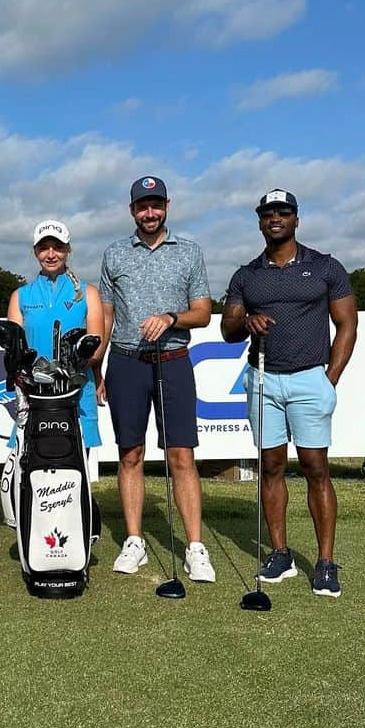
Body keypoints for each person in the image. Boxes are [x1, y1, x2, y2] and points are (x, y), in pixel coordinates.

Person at [220, 189, 357, 598]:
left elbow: (347, 325)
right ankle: (280, 553)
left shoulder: (326, 267)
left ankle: (326, 562)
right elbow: (228, 331)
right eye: (267, 213)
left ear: (296, 219)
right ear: (260, 221)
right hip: (263, 379)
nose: (275, 218)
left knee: (316, 467)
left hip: (309, 379)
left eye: (283, 212)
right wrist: (247, 321)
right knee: (271, 466)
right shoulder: (247, 275)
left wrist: (328, 378)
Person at [99, 176, 216, 582]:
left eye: (156, 205)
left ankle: (195, 547)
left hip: (174, 359)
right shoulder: (114, 254)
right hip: (127, 362)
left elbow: (202, 311)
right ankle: (135, 541)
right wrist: (98, 367)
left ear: (167, 205)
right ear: (132, 210)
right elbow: (108, 316)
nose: (149, 213)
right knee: (130, 454)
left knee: (181, 455)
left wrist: (171, 318)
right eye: (141, 206)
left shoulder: (189, 252)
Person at [7, 220, 104, 450]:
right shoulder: (20, 296)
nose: (51, 254)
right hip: (34, 393)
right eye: (44, 247)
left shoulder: (87, 293)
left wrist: (72, 366)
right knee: (33, 466)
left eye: (58, 247)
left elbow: (97, 346)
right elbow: (14, 350)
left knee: (77, 466)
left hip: (77, 391)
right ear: (35, 251)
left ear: (68, 250)